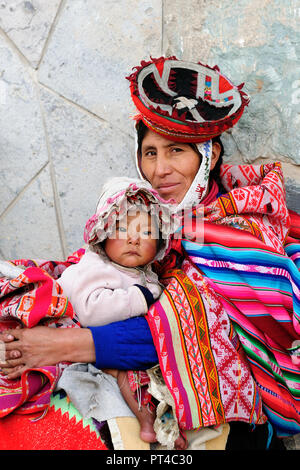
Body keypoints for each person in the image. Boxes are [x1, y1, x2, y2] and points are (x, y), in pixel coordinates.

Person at [1, 57, 299, 450]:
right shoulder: (145, 217)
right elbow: (92, 266)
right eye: (150, 152)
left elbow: (208, 328)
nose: (161, 170)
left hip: (235, 408)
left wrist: (62, 344)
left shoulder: (240, 226)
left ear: (208, 156)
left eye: (177, 150)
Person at [57, 175, 180, 445]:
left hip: (116, 345)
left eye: (147, 233)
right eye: (123, 230)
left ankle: (170, 423)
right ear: (102, 233)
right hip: (77, 333)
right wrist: (139, 299)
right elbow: (90, 311)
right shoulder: (95, 267)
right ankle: (148, 421)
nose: (134, 240)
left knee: (160, 375)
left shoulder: (144, 275)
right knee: (127, 373)